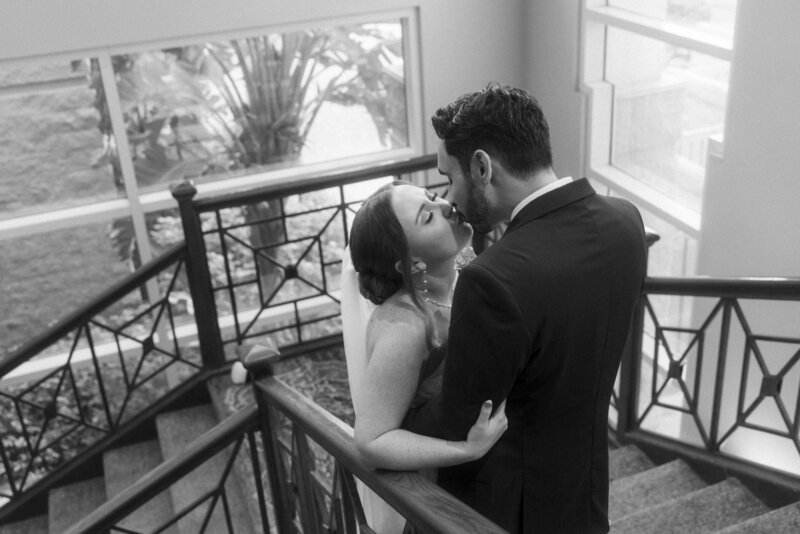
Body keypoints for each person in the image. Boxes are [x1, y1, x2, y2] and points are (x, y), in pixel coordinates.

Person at [400, 83, 648, 533]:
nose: (449, 199)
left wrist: (400, 413)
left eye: (448, 178)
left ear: (481, 167)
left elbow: (461, 420)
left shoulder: (492, 280)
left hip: (510, 508)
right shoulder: (626, 222)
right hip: (585, 489)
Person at [342, 180, 508, 533]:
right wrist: (466, 450)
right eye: (427, 216)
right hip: (441, 494)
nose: (447, 206)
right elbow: (371, 440)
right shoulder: (405, 325)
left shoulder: (464, 274)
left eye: (433, 197)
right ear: (409, 262)